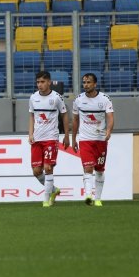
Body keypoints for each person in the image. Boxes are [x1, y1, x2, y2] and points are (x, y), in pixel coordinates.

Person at [72, 73, 114, 207]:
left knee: (100, 170)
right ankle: (88, 195)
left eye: (88, 82)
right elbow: (75, 120)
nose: (86, 85)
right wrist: (73, 139)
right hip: (85, 139)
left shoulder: (105, 99)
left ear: (95, 84)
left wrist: (108, 131)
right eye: (84, 82)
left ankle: (98, 198)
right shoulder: (78, 100)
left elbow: (110, 117)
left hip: (100, 139)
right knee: (88, 167)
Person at [28, 70, 70, 208]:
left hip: (51, 138)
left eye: (42, 82)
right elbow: (32, 116)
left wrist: (66, 135)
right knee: (36, 171)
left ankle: (46, 200)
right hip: (37, 139)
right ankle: (54, 190)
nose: (40, 85)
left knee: (48, 167)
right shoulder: (33, 97)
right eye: (38, 82)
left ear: (49, 82)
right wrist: (30, 133)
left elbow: (64, 115)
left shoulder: (57, 97)